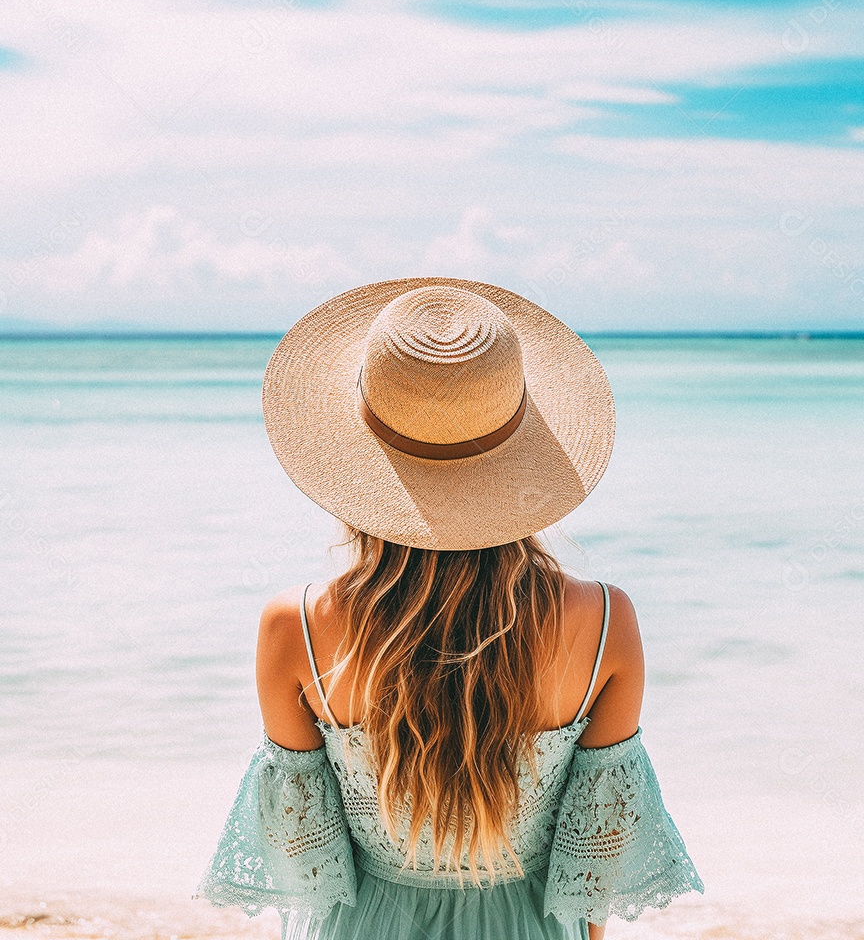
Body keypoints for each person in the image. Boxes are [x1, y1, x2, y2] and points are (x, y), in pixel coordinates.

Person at [195, 278, 703, 940]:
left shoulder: (294, 627)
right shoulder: (605, 621)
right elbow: (592, 873)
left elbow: (309, 864)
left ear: (358, 459)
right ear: (523, 454)